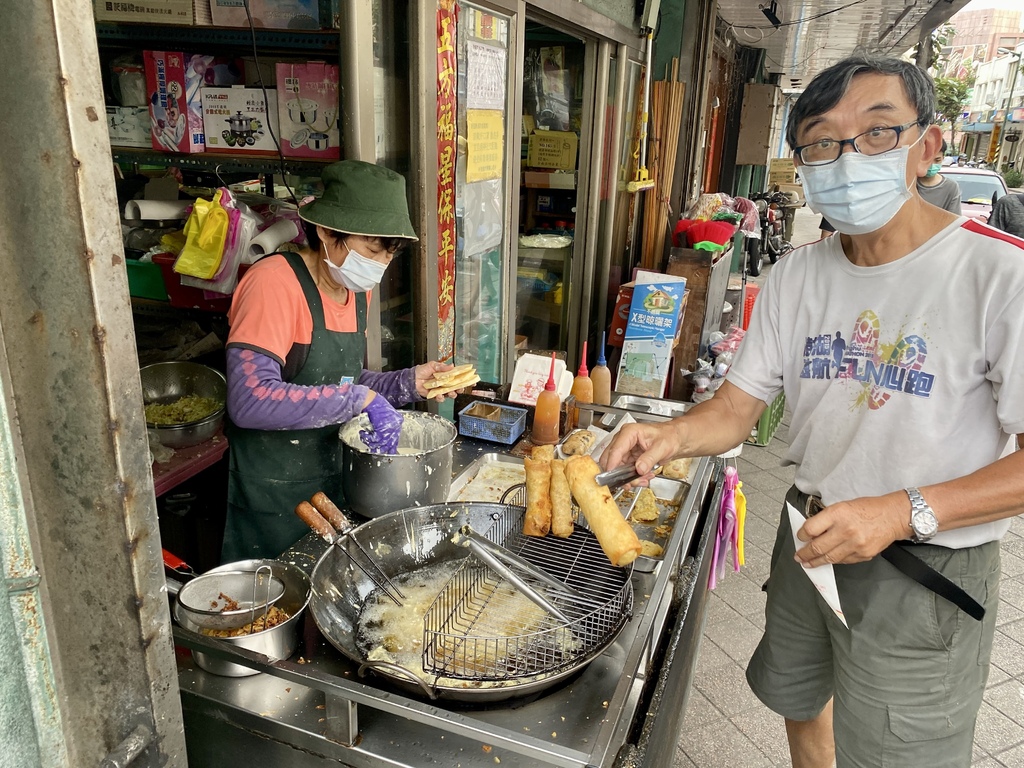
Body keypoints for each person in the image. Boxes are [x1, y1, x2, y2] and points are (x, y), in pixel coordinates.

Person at [603, 53, 1024, 768]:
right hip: (812, 534)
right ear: (804, 164)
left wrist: (899, 511)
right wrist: (668, 435)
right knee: (802, 705)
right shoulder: (798, 274)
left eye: (878, 132)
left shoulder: (999, 275)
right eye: (824, 141)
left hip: (925, 569)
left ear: (927, 147)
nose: (848, 156)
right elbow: (737, 409)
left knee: (896, 755)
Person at [221, 160, 457, 561]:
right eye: (370, 250)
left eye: (389, 254)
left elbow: (341, 378)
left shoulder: (355, 290)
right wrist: (358, 400)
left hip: (334, 485)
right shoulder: (273, 285)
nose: (380, 265)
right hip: (274, 496)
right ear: (327, 231)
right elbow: (250, 400)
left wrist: (408, 383)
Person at [819, 140, 961, 237]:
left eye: (937, 160)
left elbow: (952, 226)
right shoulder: (900, 181)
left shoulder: (950, 188)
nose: (931, 165)